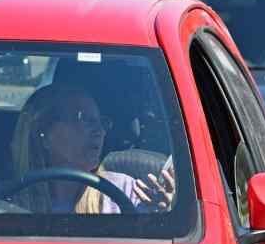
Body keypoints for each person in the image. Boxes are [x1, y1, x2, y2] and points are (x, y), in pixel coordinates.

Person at [10, 83, 174, 213]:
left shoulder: (126, 191)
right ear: (43, 132)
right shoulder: (8, 202)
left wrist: (163, 215)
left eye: (101, 122)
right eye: (85, 120)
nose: (100, 131)